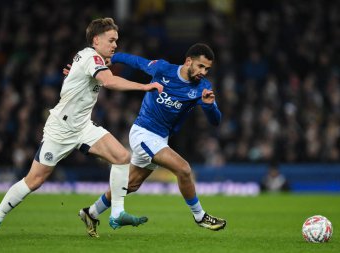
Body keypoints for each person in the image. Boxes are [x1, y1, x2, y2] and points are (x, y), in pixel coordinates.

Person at [0, 17, 163, 239]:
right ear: (96, 40)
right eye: (111, 40)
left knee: (122, 156)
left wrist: (73, 72)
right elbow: (109, 81)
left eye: (117, 40)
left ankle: (117, 213)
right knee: (34, 180)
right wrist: (145, 86)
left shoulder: (89, 58)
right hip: (61, 129)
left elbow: (84, 76)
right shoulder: (92, 57)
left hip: (83, 126)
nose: (115, 45)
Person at [76, 43, 227, 237]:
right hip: (143, 133)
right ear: (188, 61)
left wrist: (209, 106)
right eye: (200, 66)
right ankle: (200, 216)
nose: (203, 72)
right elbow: (137, 62)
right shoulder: (163, 69)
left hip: (161, 138)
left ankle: (91, 212)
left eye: (207, 69)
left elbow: (216, 121)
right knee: (184, 169)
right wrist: (113, 58)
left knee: (131, 185)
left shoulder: (203, 88)